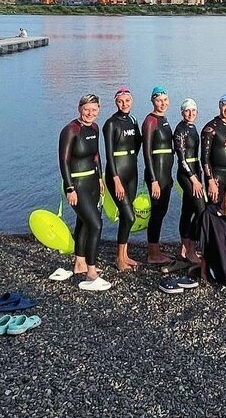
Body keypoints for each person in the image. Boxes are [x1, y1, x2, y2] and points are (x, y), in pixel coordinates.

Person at [59, 93, 108, 291]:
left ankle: (79, 263)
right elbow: (64, 161)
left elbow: (96, 155)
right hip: (77, 184)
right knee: (96, 224)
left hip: (92, 182)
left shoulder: (94, 128)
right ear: (79, 108)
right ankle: (91, 271)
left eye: (94, 110)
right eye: (87, 109)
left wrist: (100, 178)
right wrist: (69, 188)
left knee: (84, 223)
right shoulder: (70, 130)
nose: (90, 113)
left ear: (99, 110)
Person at [103, 87, 142, 271]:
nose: (124, 104)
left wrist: (132, 158)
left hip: (132, 172)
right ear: (116, 102)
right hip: (117, 173)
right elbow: (109, 155)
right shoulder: (111, 124)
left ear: (131, 101)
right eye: (120, 101)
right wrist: (116, 179)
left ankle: (125, 255)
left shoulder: (133, 120)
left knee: (127, 216)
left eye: (127, 100)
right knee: (129, 216)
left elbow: (139, 142)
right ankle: (119, 258)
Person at [142, 86, 175, 265]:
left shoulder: (164, 119)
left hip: (165, 175)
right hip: (156, 175)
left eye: (165, 100)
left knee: (161, 211)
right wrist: (154, 180)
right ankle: (153, 254)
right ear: (152, 101)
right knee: (156, 212)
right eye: (159, 100)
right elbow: (147, 153)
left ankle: (155, 248)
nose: (162, 103)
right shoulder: (150, 121)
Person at [174, 98, 205, 264]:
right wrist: (194, 179)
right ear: (182, 112)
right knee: (201, 211)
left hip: (195, 171)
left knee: (187, 210)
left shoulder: (193, 128)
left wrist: (199, 175)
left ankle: (184, 249)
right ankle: (191, 249)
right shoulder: (180, 130)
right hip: (186, 175)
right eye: (187, 110)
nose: (190, 113)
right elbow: (182, 159)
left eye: (193, 111)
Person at [200, 93, 226, 203]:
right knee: (214, 207)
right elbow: (204, 158)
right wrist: (210, 180)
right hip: (216, 174)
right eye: (225, 105)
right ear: (220, 106)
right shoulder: (210, 128)